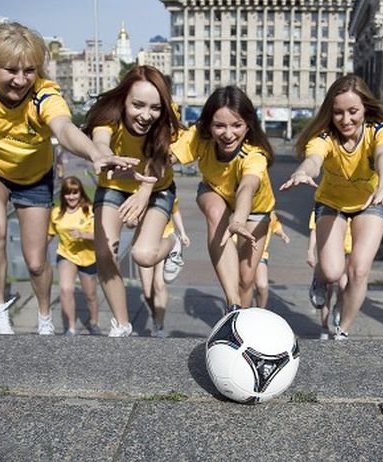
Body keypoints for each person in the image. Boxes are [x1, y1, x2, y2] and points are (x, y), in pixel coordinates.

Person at [0, 22, 140, 335]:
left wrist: (94, 153)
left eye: (29, 71)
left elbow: (63, 128)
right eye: (10, 70)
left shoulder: (44, 93)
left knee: (36, 262)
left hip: (34, 177)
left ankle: (44, 315)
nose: (20, 80)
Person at [280, 74, 383, 340]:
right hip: (331, 203)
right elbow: (314, 159)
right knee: (332, 271)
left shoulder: (380, 131)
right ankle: (319, 276)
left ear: (365, 109)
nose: (345, 120)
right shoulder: (324, 137)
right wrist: (304, 172)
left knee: (359, 270)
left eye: (353, 111)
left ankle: (343, 330)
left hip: (370, 202)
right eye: (338, 112)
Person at [84, 65, 182, 337]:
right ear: (124, 100)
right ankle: (122, 324)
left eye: (155, 107)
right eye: (138, 105)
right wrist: (104, 155)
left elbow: (162, 159)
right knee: (104, 252)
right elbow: (101, 141)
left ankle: (172, 243)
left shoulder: (168, 118)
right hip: (115, 185)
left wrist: (144, 191)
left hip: (158, 186)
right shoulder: (108, 115)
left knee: (144, 256)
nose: (146, 115)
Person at [170, 85, 276, 313]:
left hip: (254, 210)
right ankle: (233, 305)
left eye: (236, 125)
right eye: (219, 126)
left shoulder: (255, 155)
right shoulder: (200, 137)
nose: (228, 134)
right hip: (214, 192)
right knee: (217, 213)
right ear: (209, 125)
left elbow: (247, 187)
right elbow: (168, 156)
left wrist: (238, 220)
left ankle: (242, 323)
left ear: (248, 125)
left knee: (246, 279)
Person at [48, 176, 100, 336]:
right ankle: (70, 328)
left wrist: (83, 235)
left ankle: (94, 322)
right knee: (65, 289)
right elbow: (49, 234)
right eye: (67, 193)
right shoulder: (56, 213)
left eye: (75, 193)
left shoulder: (89, 211)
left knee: (90, 295)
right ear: (63, 195)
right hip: (66, 255)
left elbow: (101, 235)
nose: (71, 197)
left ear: (80, 193)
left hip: (88, 257)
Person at [137, 198, 190, 338]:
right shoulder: (138, 193)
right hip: (144, 241)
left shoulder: (166, 191)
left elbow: (175, 211)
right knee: (147, 291)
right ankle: (156, 316)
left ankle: (159, 325)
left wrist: (183, 233)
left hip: (164, 239)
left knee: (159, 285)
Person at [307, 211, 351, 339]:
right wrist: (310, 251)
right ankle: (324, 327)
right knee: (327, 290)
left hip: (347, 252)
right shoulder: (324, 204)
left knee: (344, 287)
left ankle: (338, 307)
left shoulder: (356, 207)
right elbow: (315, 230)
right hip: (328, 251)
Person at [253, 211, 290, 308]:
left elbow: (274, 225)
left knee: (262, 285)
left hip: (261, 254)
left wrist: (282, 234)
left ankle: (260, 313)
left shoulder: (269, 210)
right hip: (240, 253)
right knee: (242, 287)